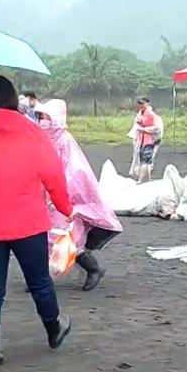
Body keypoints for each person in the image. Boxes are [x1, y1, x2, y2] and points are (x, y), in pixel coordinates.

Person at [0, 76, 73, 371]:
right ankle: (54, 329)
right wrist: (65, 207)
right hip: (28, 223)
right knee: (39, 282)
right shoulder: (32, 131)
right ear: (11, 99)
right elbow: (53, 172)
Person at [34, 99, 123, 291]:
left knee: (62, 236)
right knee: (45, 236)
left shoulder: (64, 140)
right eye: (41, 116)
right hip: (45, 196)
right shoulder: (43, 139)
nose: (43, 120)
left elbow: (74, 171)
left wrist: (59, 192)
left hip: (62, 197)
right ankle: (42, 277)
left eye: (46, 117)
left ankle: (93, 268)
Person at [131, 97, 163, 183]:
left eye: (143, 104)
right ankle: (148, 179)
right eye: (139, 104)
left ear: (147, 104)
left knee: (146, 160)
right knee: (144, 160)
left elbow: (157, 128)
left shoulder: (151, 115)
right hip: (141, 140)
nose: (141, 105)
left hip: (149, 141)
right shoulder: (140, 114)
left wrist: (144, 129)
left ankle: (140, 180)